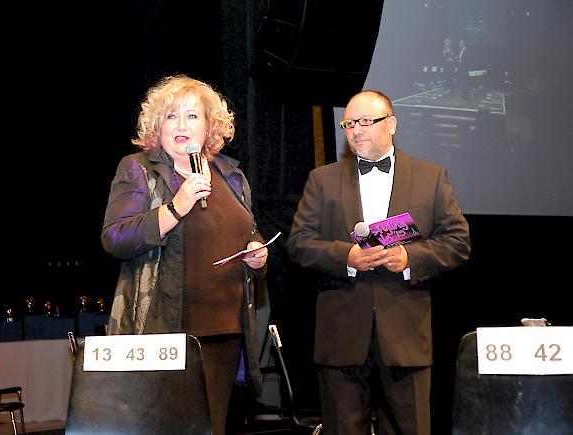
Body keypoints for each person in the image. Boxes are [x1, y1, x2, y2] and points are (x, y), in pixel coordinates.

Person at [286, 90, 470, 435]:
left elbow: (458, 242)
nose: (356, 130)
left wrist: (409, 257)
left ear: (392, 124)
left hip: (406, 340)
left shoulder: (431, 177)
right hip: (341, 341)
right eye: (349, 123)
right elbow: (299, 244)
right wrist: (348, 257)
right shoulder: (322, 180)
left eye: (366, 122)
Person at [101, 74, 268, 435]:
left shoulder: (231, 174)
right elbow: (116, 238)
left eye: (193, 116)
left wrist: (256, 249)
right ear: (157, 126)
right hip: (169, 332)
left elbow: (245, 228)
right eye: (171, 116)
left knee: (213, 428)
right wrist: (176, 207)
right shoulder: (139, 169)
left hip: (225, 327)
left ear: (210, 127)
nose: (181, 125)